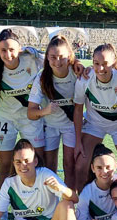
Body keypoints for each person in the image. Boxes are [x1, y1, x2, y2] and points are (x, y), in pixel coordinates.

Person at [0, 29, 45, 192]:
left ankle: (38, 205)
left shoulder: (32, 59)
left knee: (38, 161)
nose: (8, 54)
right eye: (3, 50)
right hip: (6, 119)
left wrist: (77, 66)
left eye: (11, 49)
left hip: (31, 118)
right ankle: (2, 210)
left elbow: (59, 60)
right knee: (5, 165)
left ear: (20, 48)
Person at [73, 44, 117, 190]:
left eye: (105, 64)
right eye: (96, 64)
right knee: (80, 166)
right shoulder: (84, 80)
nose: (100, 69)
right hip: (94, 124)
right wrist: (78, 142)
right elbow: (78, 110)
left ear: (114, 62)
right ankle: (83, 207)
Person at [27, 35, 81, 189]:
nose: (57, 62)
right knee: (50, 167)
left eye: (62, 57)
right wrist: (45, 111)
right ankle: (53, 204)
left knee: (70, 165)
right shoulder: (42, 78)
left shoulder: (76, 73)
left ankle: (69, 202)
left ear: (69, 56)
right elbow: (30, 112)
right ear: (47, 58)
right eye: (53, 57)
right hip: (50, 126)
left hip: (71, 125)